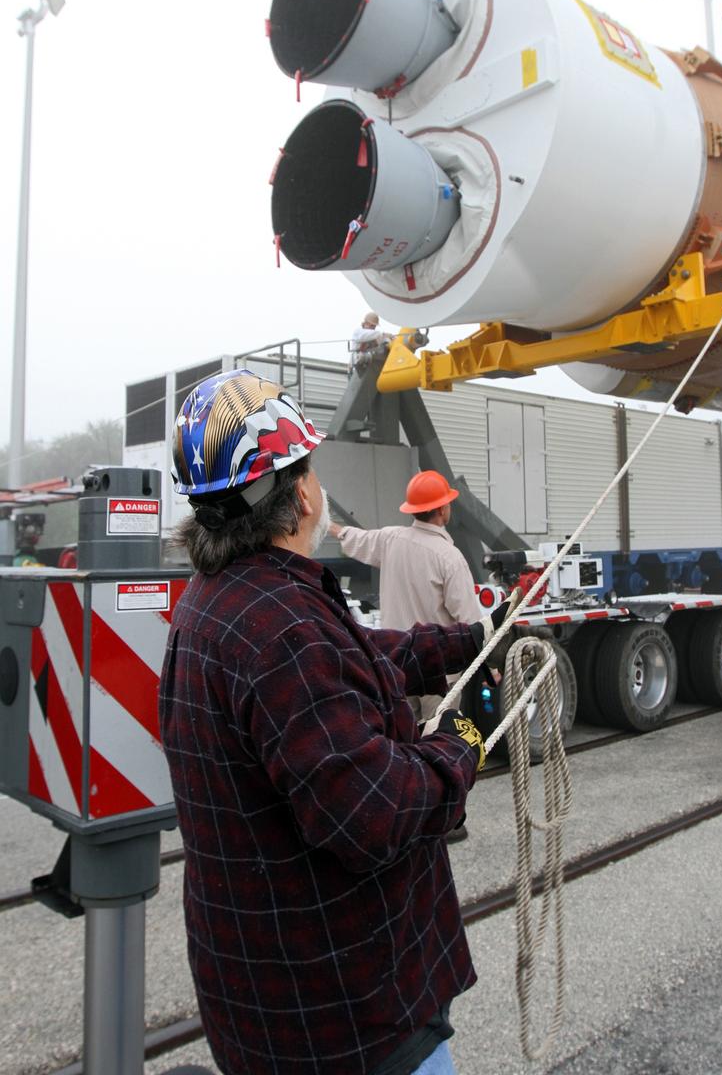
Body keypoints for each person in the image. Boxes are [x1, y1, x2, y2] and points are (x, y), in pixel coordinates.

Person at [159, 369, 515, 1075]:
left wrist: (468, 643)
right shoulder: (281, 628)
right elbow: (376, 814)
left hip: (266, 998)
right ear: (294, 498)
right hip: (349, 1020)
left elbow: (352, 655)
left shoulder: (223, 601)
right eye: (309, 470)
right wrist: (464, 739)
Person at [329, 471, 481, 726]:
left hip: (397, 668)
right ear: (443, 509)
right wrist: (492, 667)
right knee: (439, 743)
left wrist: (324, 523)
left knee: (405, 745)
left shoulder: (390, 540)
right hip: (438, 673)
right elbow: (469, 621)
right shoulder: (449, 558)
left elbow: (354, 538)